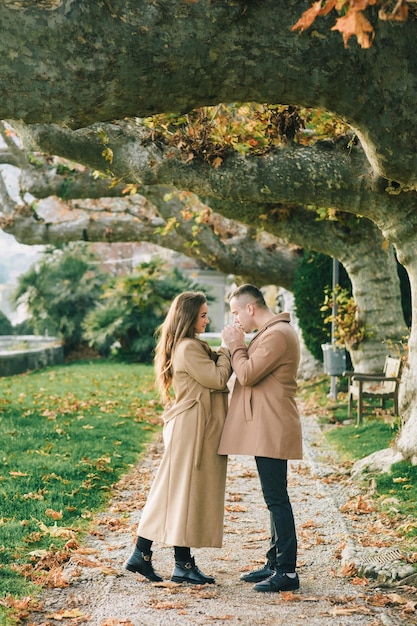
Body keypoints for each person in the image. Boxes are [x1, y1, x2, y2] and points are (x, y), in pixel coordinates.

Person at [124, 291, 232, 584]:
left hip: (193, 425)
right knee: (179, 492)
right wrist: (227, 349)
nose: (207, 319)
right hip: (192, 428)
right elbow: (218, 379)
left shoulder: (189, 345)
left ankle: (150, 557)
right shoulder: (188, 348)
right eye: (203, 315)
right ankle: (167, 561)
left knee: (179, 492)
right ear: (188, 317)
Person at [218, 284, 302, 593]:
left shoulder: (277, 334)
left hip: (273, 427)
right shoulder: (271, 332)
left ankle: (288, 572)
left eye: (236, 312)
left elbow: (248, 373)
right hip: (268, 426)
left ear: (250, 308)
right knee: (274, 497)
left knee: (277, 498)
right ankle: (274, 562)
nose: (236, 320)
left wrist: (235, 344)